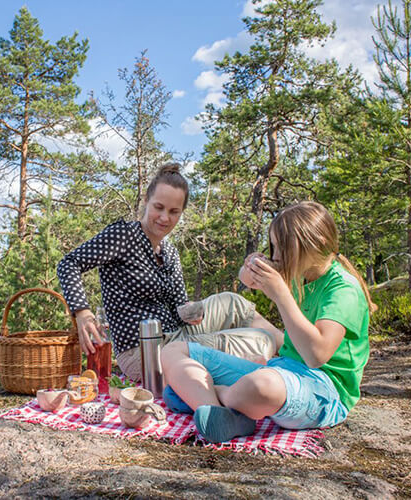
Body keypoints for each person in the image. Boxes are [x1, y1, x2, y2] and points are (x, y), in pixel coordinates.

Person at [161, 201, 376, 443]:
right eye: (273, 246)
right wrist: (250, 266)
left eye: (283, 247)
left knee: (260, 385)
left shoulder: (343, 288)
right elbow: (247, 280)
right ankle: (222, 413)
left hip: (324, 390)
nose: (276, 255)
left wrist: (281, 294)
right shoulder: (298, 271)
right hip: (282, 370)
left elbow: (317, 356)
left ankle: (211, 395)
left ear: (315, 244)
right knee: (173, 350)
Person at [57, 162, 283, 382]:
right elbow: (69, 263)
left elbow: (179, 309)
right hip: (144, 353)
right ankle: (274, 369)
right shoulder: (123, 235)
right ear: (146, 201)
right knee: (259, 340)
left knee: (233, 302)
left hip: (178, 335)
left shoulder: (170, 252)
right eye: (159, 207)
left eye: (174, 211)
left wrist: (191, 311)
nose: (165, 218)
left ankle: (295, 351)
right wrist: (82, 313)